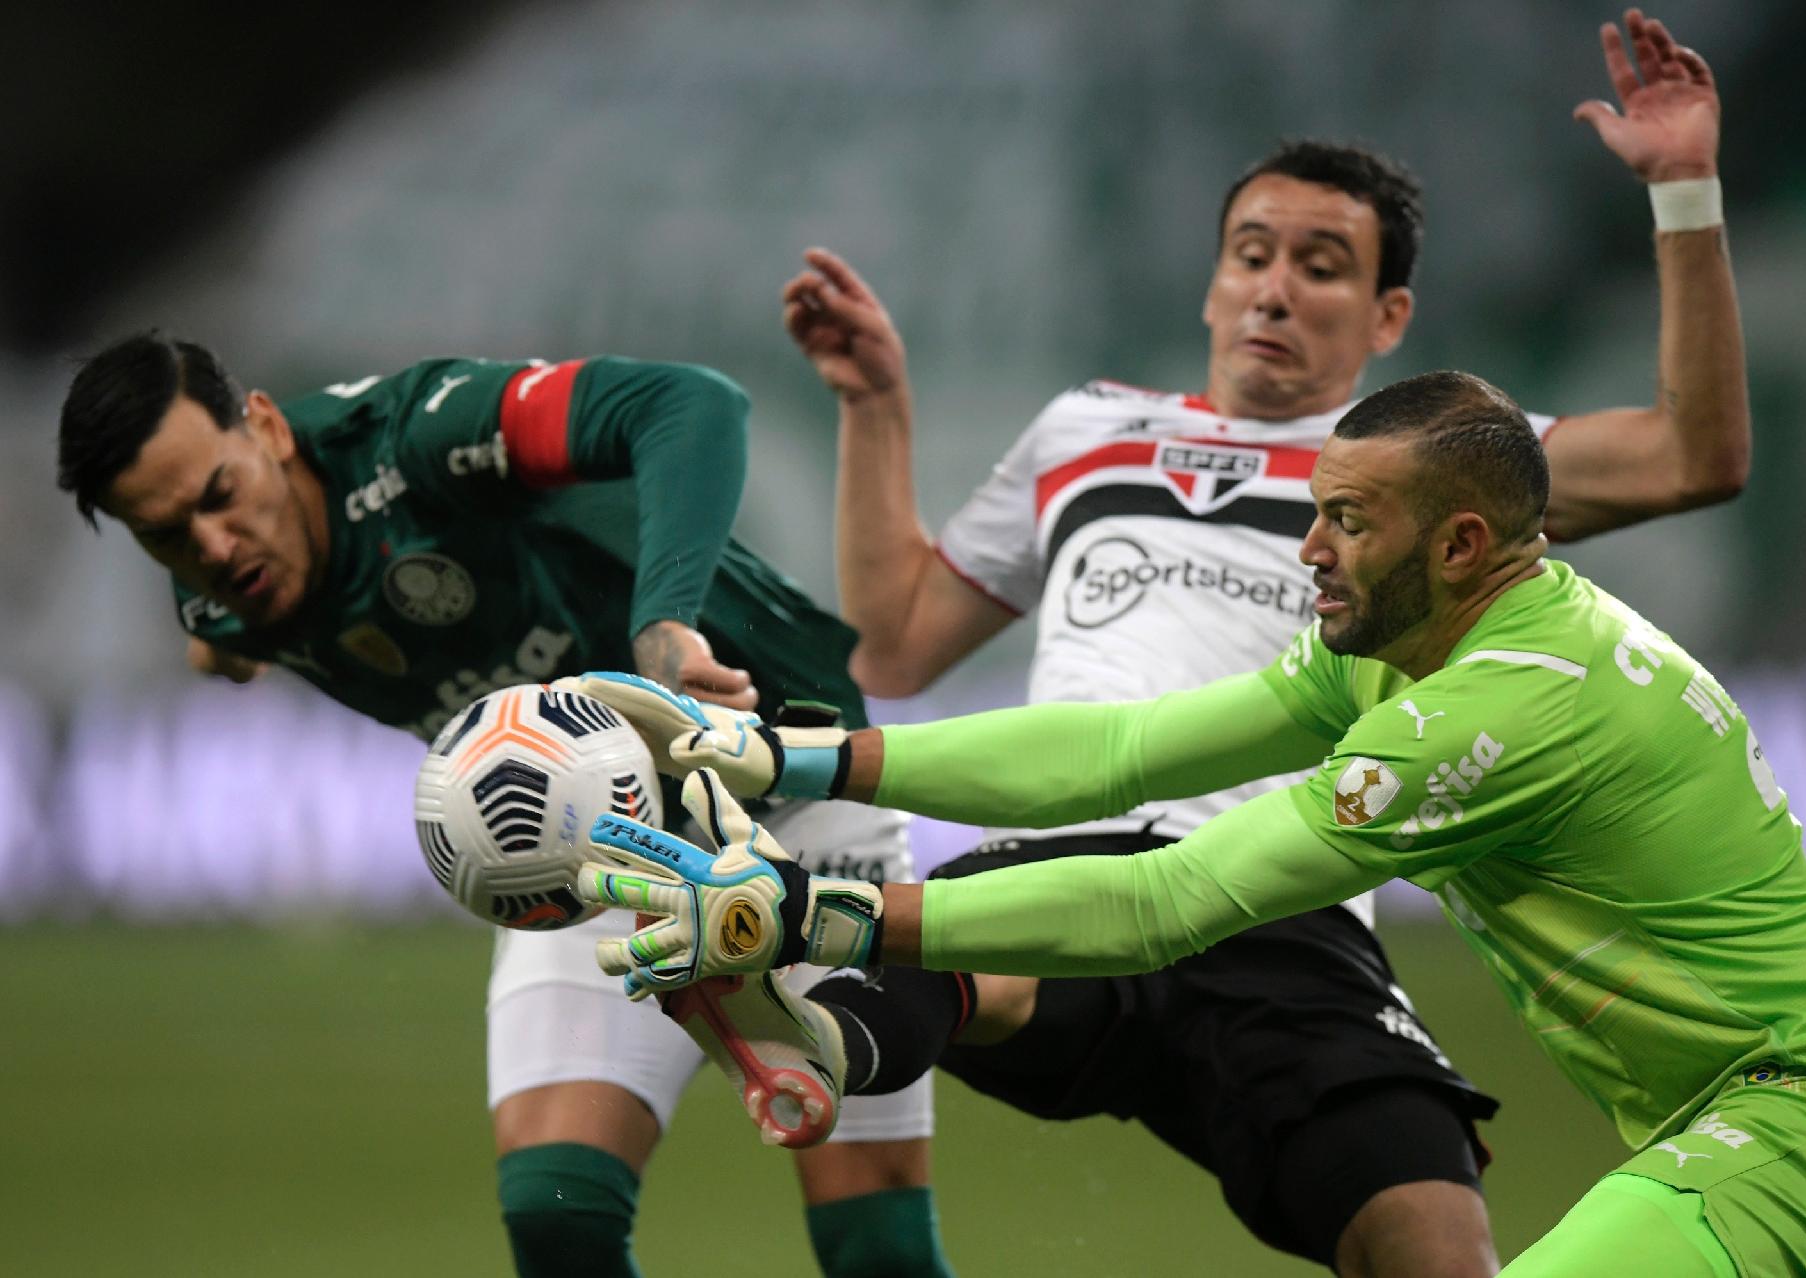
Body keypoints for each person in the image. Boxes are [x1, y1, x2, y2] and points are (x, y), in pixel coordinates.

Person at [678, 7, 1743, 1274]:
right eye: (1252, 253)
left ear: (1390, 313)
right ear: (1211, 282)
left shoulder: (1434, 467)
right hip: (1068, 839)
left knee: (1433, 1240)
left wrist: (1683, 190)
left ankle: (807, 976)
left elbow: (1696, 456)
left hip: (1283, 895)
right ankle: (827, 1031)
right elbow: (898, 645)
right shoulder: (1090, 431)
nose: (1276, 288)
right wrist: (875, 408)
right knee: (982, 954)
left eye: (1322, 264)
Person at [576, 368, 1806, 1276]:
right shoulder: (1417, 645)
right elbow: (1121, 754)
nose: (1311, 550)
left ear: (1458, 545)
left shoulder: (1500, 705)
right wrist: (792, 756)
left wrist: (821, 912)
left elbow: (1172, 898)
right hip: (1759, 1106)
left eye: (1346, 519)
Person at [53, 338, 961, 1278]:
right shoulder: (222, 594)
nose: (210, 545)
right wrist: (230, 651)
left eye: (217, 495)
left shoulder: (421, 439)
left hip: (792, 805)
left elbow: (691, 398)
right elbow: (223, 635)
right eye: (164, 534)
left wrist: (663, 622)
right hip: (582, 852)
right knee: (555, 1217)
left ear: (269, 427)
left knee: (874, 1249)